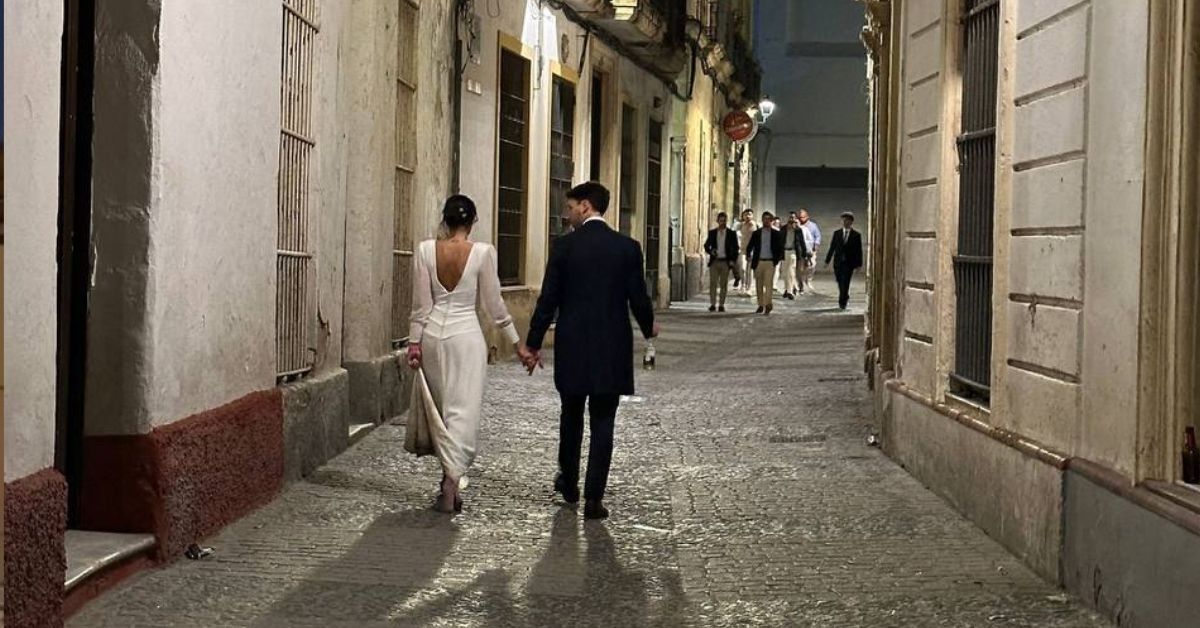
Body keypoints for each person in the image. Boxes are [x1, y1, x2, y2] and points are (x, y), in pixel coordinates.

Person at [522, 182, 659, 520]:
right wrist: (647, 326)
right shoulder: (627, 248)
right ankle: (594, 499)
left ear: (585, 206)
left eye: (570, 208)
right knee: (604, 421)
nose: (566, 215)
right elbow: (637, 296)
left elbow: (548, 299)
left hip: (572, 345)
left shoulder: (565, 247)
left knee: (570, 416)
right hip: (612, 346)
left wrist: (533, 342)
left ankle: (569, 483)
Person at [405, 195, 534, 513]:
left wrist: (414, 343)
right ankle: (451, 485)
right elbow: (495, 306)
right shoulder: (482, 253)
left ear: (444, 221)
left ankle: (447, 482)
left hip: (434, 336)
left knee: (442, 410)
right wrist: (517, 343)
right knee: (462, 412)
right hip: (466, 338)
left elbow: (421, 307)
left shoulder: (425, 250)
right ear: (473, 221)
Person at [746, 211, 785, 315]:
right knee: (759, 285)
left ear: (771, 221)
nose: (766, 221)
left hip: (769, 262)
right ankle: (760, 304)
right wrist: (748, 255)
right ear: (762, 220)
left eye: (768, 219)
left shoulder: (776, 234)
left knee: (768, 284)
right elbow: (750, 246)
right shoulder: (757, 233)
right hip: (758, 262)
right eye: (764, 219)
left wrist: (776, 260)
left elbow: (781, 248)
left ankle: (768, 304)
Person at [824, 211, 864, 310]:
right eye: (844, 220)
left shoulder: (856, 235)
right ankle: (844, 295)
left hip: (849, 263)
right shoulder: (837, 234)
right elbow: (832, 247)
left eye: (847, 220)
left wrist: (859, 264)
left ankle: (842, 301)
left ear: (851, 222)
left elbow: (859, 250)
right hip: (838, 263)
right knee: (839, 280)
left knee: (845, 282)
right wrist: (827, 260)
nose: (845, 222)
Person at [704, 212, 739, 312]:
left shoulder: (731, 234)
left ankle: (721, 304)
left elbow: (736, 248)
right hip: (715, 261)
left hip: (725, 262)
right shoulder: (712, 233)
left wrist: (732, 260)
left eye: (724, 221)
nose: (722, 223)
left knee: (723, 284)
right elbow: (706, 245)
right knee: (713, 283)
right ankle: (712, 304)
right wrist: (711, 251)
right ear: (717, 221)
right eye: (721, 221)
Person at [781, 213, 810, 299]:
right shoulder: (783, 229)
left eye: (793, 217)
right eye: (790, 217)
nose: (792, 219)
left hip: (793, 252)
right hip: (784, 252)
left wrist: (804, 254)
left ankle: (790, 291)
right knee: (785, 272)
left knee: (791, 271)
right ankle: (787, 289)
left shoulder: (798, 230)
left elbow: (802, 243)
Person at [799, 209, 821, 293]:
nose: (801, 219)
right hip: (801, 250)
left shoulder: (813, 226)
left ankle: (808, 281)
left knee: (811, 266)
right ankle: (801, 284)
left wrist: (816, 245)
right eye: (800, 217)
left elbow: (818, 236)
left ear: (807, 217)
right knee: (801, 268)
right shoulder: (798, 225)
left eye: (803, 217)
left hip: (811, 249)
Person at [737, 209, 757, 295]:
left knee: (750, 270)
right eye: (746, 215)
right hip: (743, 249)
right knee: (742, 268)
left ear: (752, 216)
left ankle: (749, 287)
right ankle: (743, 285)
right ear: (743, 216)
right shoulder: (741, 225)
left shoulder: (756, 225)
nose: (748, 216)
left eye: (749, 214)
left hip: (752, 250)